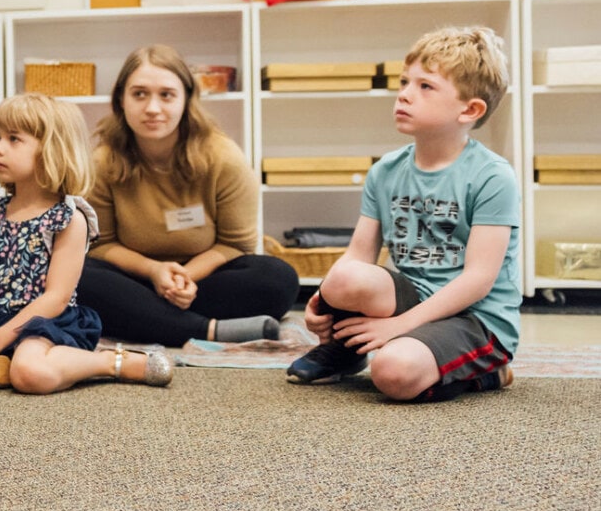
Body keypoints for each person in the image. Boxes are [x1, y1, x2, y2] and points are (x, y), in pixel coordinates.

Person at [286, 27, 521, 400]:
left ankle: (490, 373)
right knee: (344, 276)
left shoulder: (493, 176)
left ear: (470, 109)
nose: (404, 94)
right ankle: (346, 350)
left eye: (425, 86)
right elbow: (358, 255)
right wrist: (323, 301)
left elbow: (478, 280)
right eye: (404, 81)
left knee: (393, 373)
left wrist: (398, 326)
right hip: (416, 294)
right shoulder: (387, 170)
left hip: (476, 318)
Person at [0, 95, 174, 394]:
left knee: (30, 373)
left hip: (38, 322)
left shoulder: (68, 218)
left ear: (52, 150)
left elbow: (56, 299)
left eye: (14, 139)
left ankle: (107, 361)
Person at [80, 45, 299, 347]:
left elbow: (236, 243)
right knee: (77, 277)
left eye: (166, 95)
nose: (153, 108)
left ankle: (150, 320)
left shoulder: (223, 158)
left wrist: (184, 278)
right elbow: (100, 245)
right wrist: (155, 271)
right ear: (121, 100)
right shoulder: (102, 162)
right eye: (139, 94)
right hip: (134, 278)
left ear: (186, 98)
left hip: (203, 280)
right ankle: (205, 330)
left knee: (278, 279)